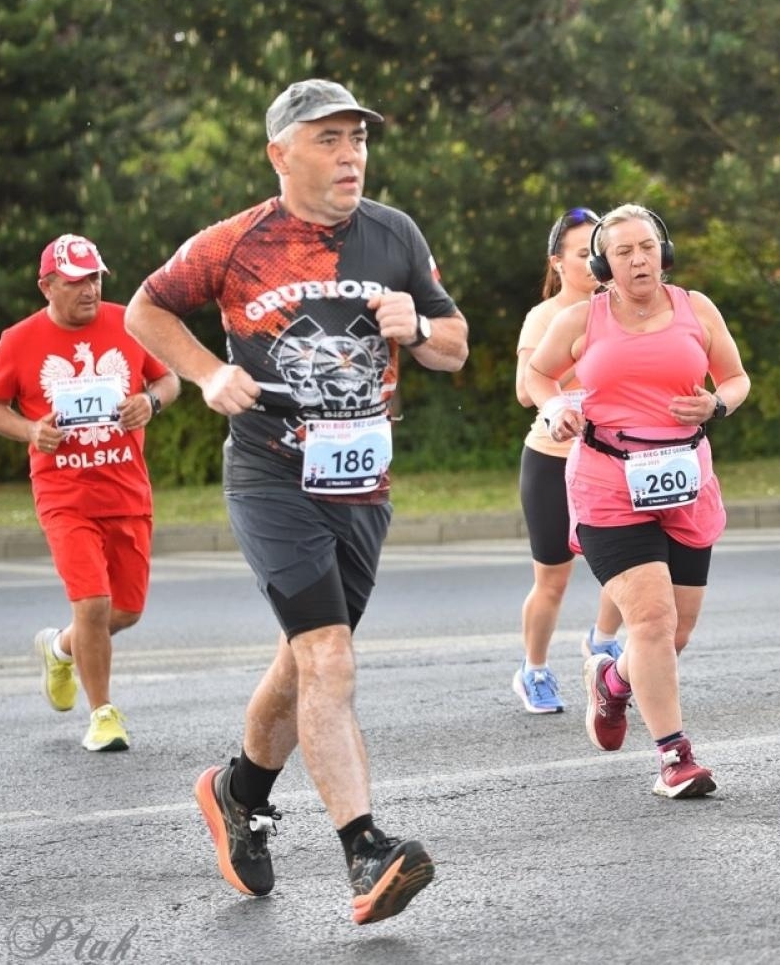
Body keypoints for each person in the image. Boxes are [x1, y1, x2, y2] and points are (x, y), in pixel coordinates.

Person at [125, 78, 468, 925]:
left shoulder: (395, 234)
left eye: (357, 139)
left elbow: (455, 349)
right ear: (281, 153)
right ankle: (366, 851)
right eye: (328, 140)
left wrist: (415, 329)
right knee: (328, 657)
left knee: (309, 655)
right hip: (272, 474)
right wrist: (209, 373)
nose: (350, 154)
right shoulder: (239, 242)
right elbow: (144, 309)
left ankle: (238, 792)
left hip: (362, 485)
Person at [525, 203, 750, 798]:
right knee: (651, 619)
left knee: (673, 633)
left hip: (685, 482)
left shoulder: (697, 309)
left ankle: (614, 680)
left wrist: (717, 405)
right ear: (604, 263)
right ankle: (675, 758)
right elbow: (538, 377)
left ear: (663, 251)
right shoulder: (582, 317)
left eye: (646, 247)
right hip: (608, 484)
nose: (637, 259)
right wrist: (557, 408)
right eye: (622, 251)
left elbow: (735, 378)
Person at [0, 234, 180, 753]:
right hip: (64, 494)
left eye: (95, 278)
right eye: (76, 281)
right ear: (47, 286)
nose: (89, 289)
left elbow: (170, 380)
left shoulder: (128, 321)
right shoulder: (18, 341)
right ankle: (103, 715)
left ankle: (60, 648)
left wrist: (150, 403)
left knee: (126, 611)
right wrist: (30, 431)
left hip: (126, 490)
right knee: (92, 602)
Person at [510, 207, 626, 714]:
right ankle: (533, 669)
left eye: (598, 252)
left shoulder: (624, 307)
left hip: (615, 456)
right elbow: (523, 390)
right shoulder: (545, 317)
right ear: (557, 262)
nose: (593, 261)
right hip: (553, 460)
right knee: (553, 578)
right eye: (583, 253)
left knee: (629, 566)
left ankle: (602, 641)